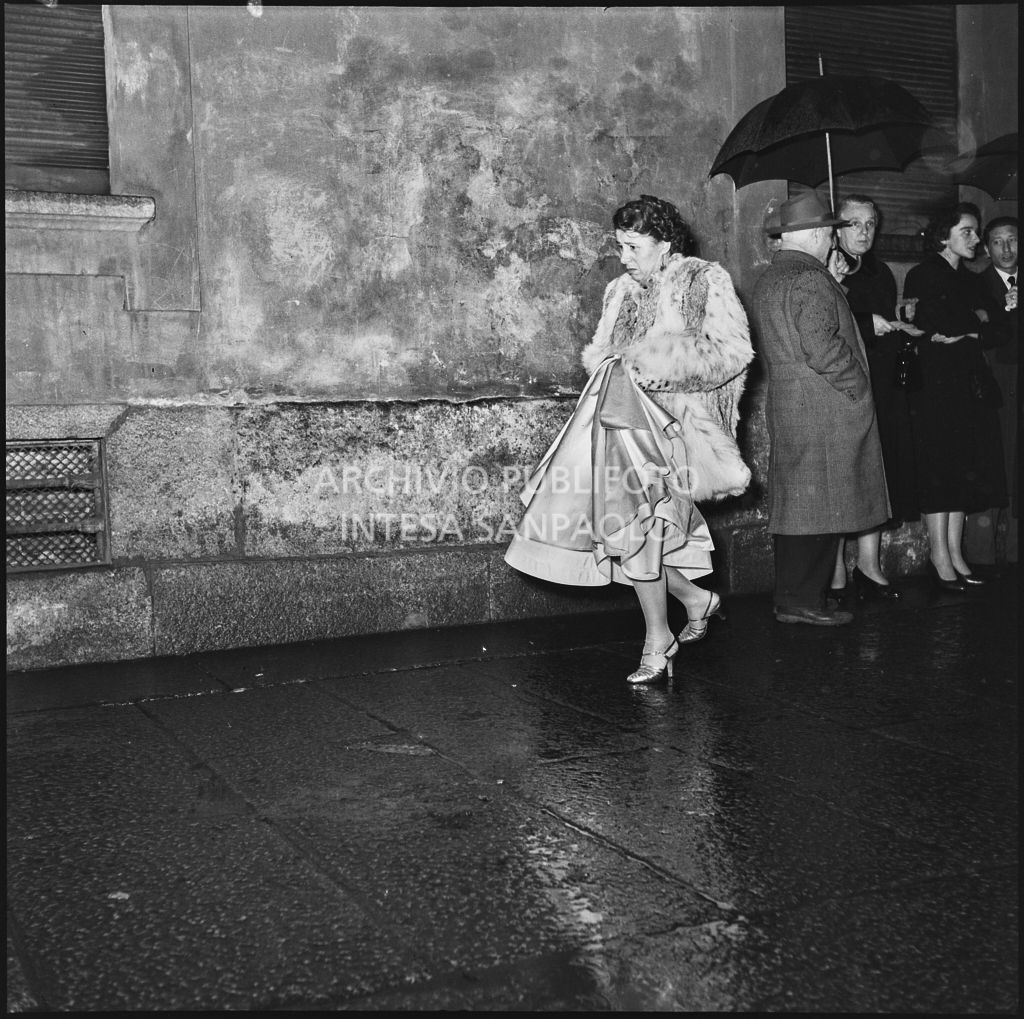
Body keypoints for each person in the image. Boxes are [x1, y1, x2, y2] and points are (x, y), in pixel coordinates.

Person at [505, 195, 754, 684]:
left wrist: (656, 366)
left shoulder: (704, 281)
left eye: (634, 245)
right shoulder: (619, 290)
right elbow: (601, 355)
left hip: (676, 430)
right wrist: (615, 369)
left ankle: (658, 638)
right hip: (620, 425)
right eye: (620, 246)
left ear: (665, 244)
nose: (623, 257)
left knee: (637, 532)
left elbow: (732, 352)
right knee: (623, 532)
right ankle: (693, 600)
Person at [750, 191, 890, 626]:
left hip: (794, 403)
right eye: (830, 231)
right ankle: (804, 602)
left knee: (801, 506)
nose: (834, 238)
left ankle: (794, 597)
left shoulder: (775, 275)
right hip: (824, 405)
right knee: (822, 507)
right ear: (812, 234)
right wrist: (857, 385)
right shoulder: (809, 279)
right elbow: (820, 346)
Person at [902, 203, 1008, 590]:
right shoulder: (922, 274)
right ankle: (938, 557)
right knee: (940, 470)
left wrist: (972, 330)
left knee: (963, 467)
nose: (976, 239)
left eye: (976, 232)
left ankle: (956, 554)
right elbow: (934, 323)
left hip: (967, 385)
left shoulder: (970, 279)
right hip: (936, 386)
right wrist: (972, 323)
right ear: (943, 235)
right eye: (968, 232)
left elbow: (1001, 328)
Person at [829, 194, 922, 603]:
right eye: (854, 223)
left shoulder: (881, 270)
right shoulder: (827, 267)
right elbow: (830, 327)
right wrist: (870, 321)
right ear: (836, 226)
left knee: (876, 474)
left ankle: (869, 565)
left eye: (870, 223)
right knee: (842, 478)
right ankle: (832, 573)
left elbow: (879, 315)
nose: (864, 232)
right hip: (845, 385)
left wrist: (899, 317)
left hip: (881, 383)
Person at [964, 216, 1018, 566]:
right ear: (986, 248)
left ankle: (1015, 551)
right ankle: (982, 554)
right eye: (997, 242)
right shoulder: (976, 285)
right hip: (998, 380)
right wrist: (1008, 310)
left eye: (1012, 240)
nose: (1007, 249)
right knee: (996, 460)